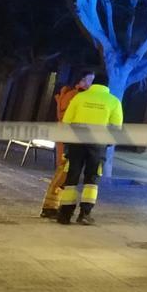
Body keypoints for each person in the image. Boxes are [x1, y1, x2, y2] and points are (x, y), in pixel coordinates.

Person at [56, 77, 123, 225]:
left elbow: (66, 122)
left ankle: (65, 215)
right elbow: (116, 129)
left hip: (76, 144)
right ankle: (85, 214)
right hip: (98, 146)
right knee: (92, 179)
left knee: (72, 176)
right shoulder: (113, 101)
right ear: (107, 86)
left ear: (93, 84)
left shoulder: (80, 97)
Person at [40, 70, 95, 219]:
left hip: (66, 138)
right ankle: (50, 207)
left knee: (64, 172)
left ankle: (52, 206)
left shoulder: (71, 94)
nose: (92, 84)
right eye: (90, 80)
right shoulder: (75, 96)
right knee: (63, 173)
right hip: (68, 140)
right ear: (81, 80)